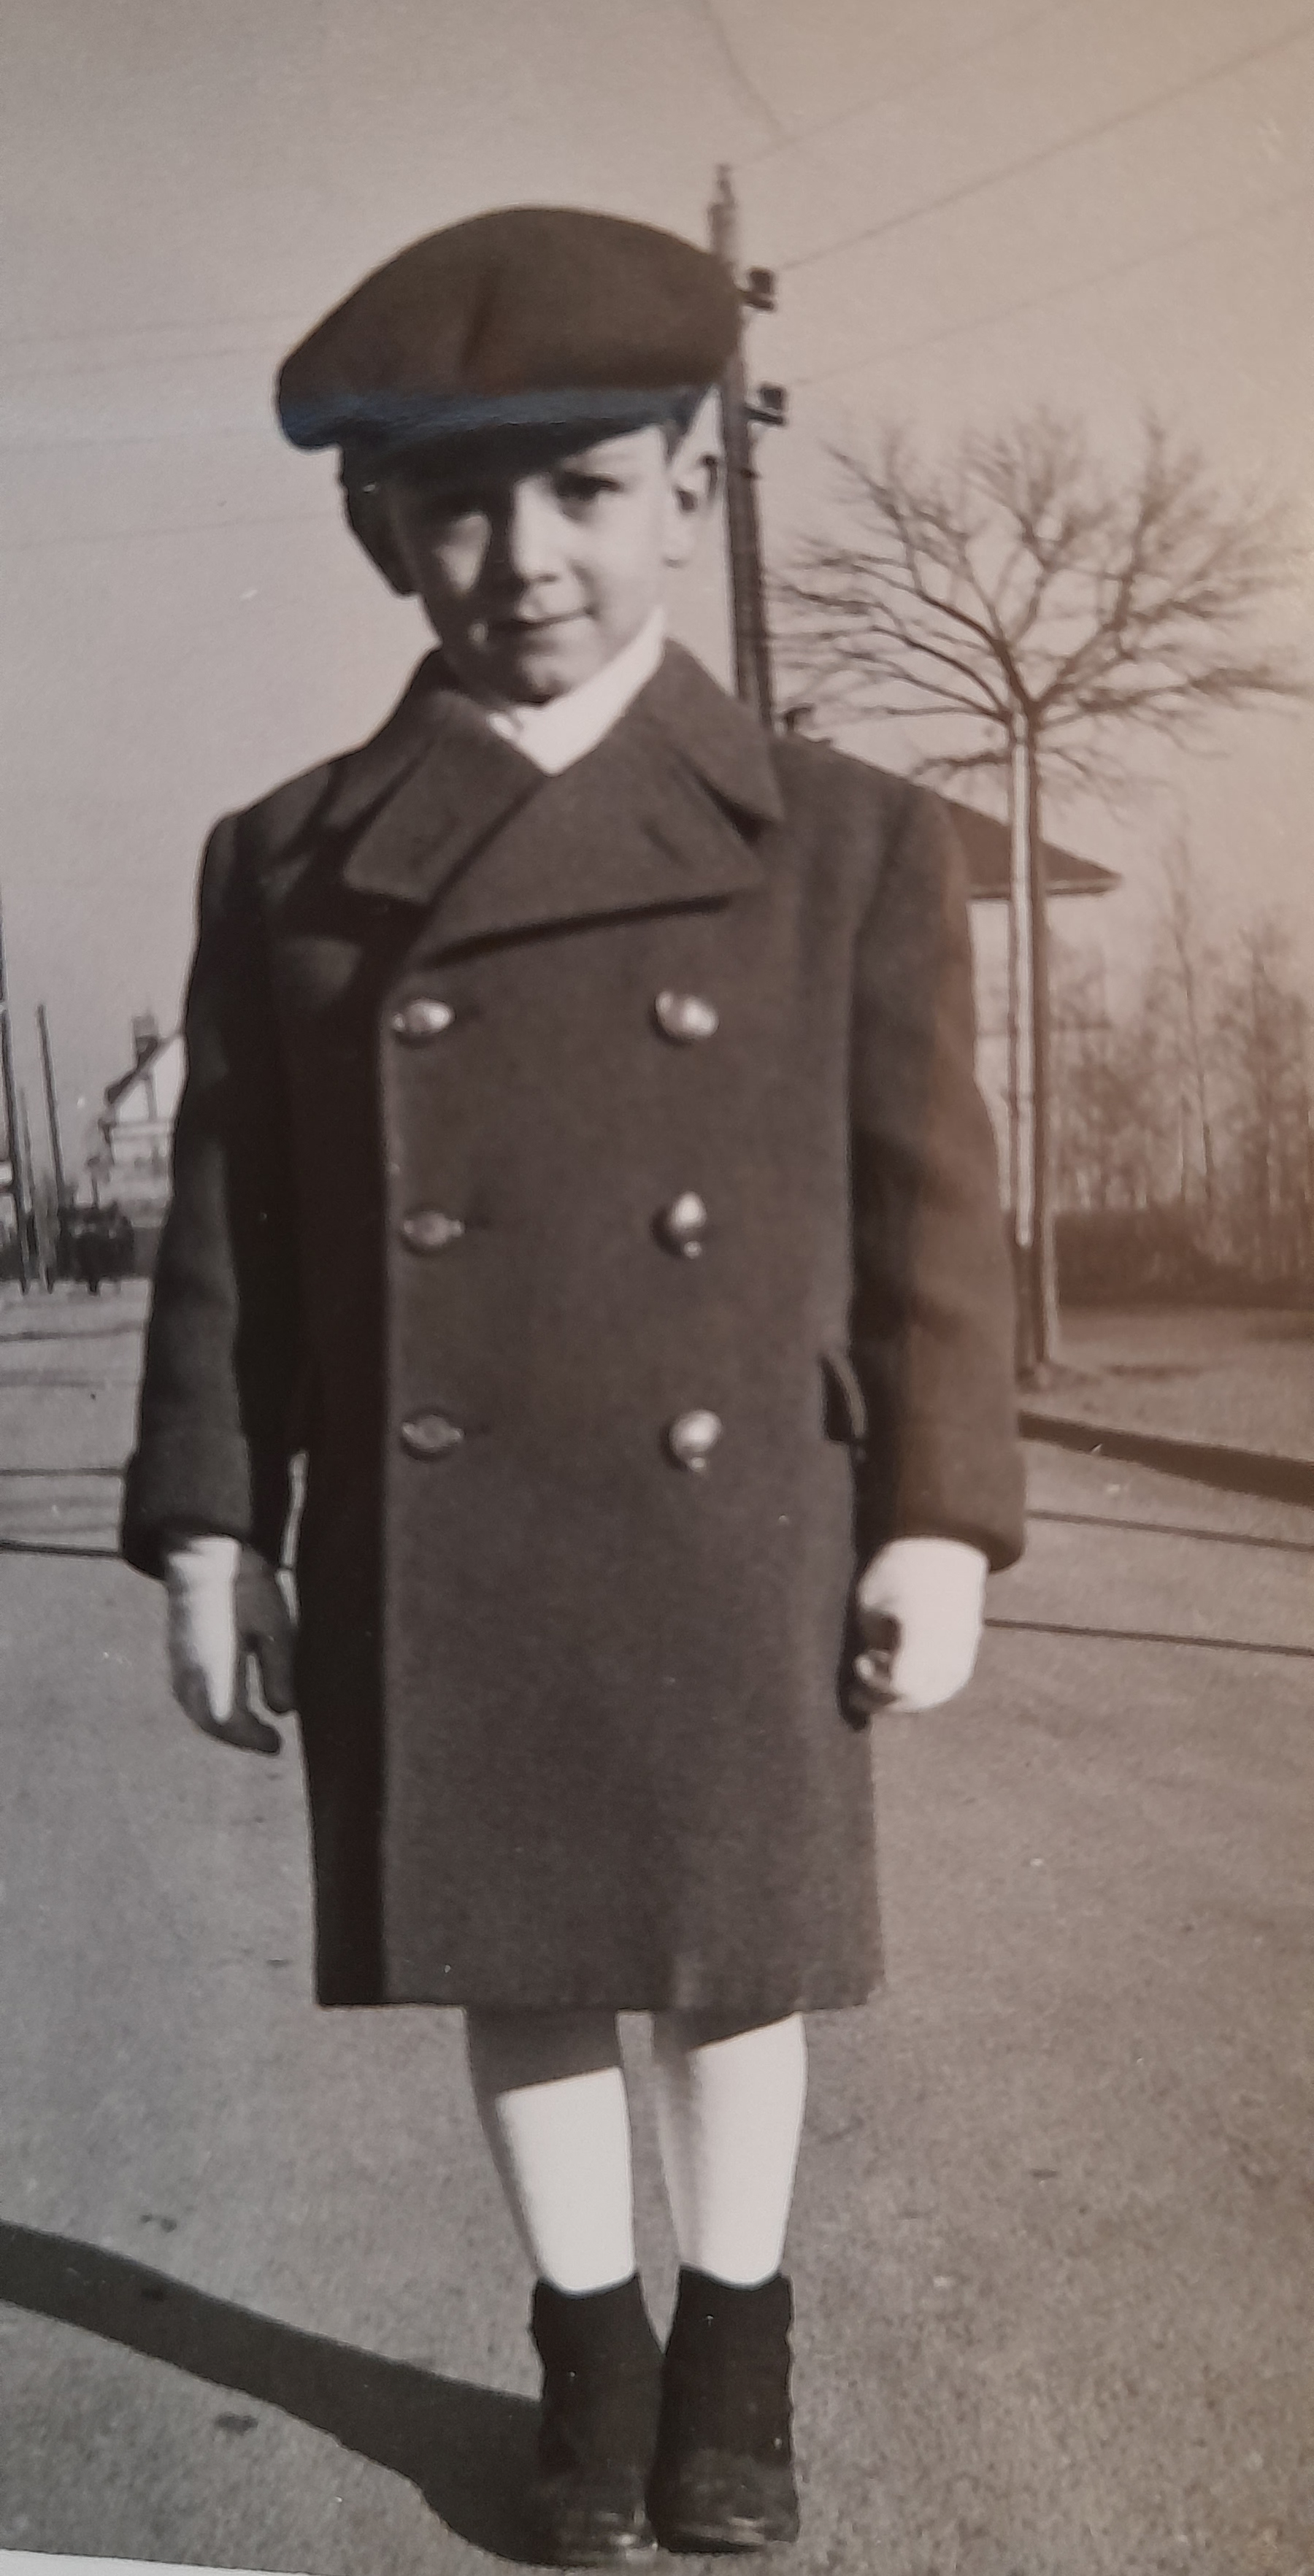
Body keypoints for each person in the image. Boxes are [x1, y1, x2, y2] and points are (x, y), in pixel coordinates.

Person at [122, 206, 1025, 2564]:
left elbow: (934, 1215)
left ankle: (740, 2352)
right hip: (447, 1526)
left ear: (691, 489)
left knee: (729, 1958)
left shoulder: (847, 845)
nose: (524, 557)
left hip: (735, 1523)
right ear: (381, 529)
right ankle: (591, 2356)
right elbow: (234, 1237)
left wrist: (941, 1516)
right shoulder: (288, 868)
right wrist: (211, 1530)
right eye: (458, 503)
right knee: (509, 1950)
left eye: (586, 489)